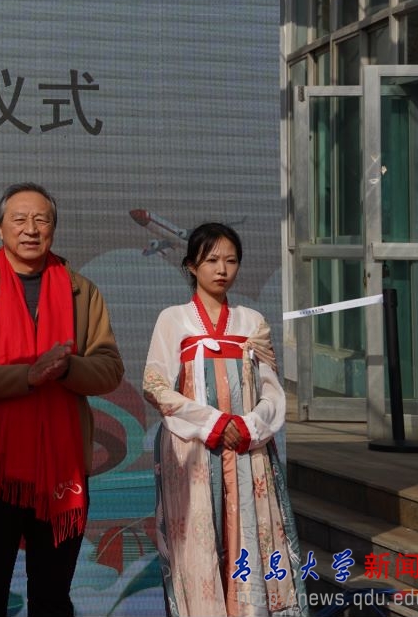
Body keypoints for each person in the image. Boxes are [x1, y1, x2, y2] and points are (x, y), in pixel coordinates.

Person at [0, 182, 124, 617]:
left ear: (53, 229)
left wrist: (67, 368)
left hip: (62, 468)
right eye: (19, 219)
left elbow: (110, 368)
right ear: (0, 228)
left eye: (41, 220)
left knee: (52, 599)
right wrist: (28, 375)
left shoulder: (81, 292)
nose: (31, 229)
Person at [143, 222, 305, 616]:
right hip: (193, 451)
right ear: (191, 266)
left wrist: (247, 427)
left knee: (251, 539)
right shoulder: (173, 319)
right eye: (212, 260)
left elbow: (272, 391)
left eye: (231, 261)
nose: (222, 269)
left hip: (248, 450)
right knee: (197, 546)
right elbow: (155, 385)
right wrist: (214, 423)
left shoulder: (252, 321)